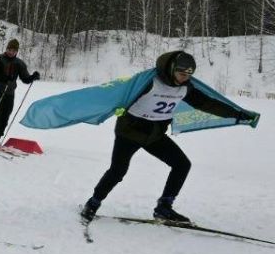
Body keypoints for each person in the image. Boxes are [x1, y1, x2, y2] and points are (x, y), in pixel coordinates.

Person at [17, 51, 258, 224]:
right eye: (182, 72)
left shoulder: (187, 88)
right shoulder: (147, 81)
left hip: (154, 135)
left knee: (182, 164)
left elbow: (208, 104)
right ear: (172, 69)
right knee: (118, 171)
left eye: (189, 73)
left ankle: (164, 207)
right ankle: (93, 203)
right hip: (129, 132)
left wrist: (238, 114)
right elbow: (117, 94)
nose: (185, 76)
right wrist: (119, 107)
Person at [0, 38, 40, 146]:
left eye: (14, 51)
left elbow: (25, 78)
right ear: (6, 49)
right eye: (10, 50)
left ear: (16, 52)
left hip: (9, 93)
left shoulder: (19, 63)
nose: (11, 52)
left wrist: (33, 77)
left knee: (6, 115)